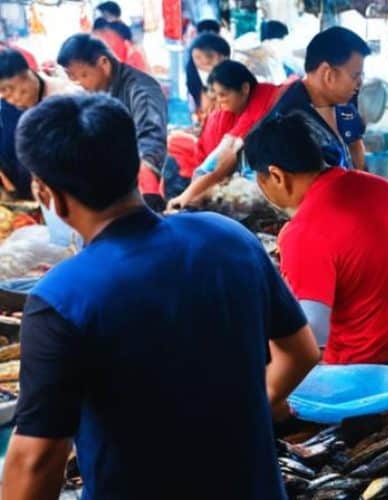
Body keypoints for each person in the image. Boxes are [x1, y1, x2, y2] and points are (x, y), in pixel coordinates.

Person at [1, 94, 319, 500]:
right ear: (136, 166)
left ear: (49, 195)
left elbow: (38, 461)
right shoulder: (231, 240)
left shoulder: (61, 299)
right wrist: (243, 410)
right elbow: (301, 352)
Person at [242, 113, 388, 404]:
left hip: (372, 373)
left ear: (276, 175)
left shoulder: (305, 232)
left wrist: (269, 398)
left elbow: (311, 340)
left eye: (260, 180)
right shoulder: (377, 186)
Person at [57, 34, 168, 209]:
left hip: (143, 187)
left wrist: (145, 187)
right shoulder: (96, 91)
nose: (80, 83)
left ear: (104, 64)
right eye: (73, 78)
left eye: (84, 75)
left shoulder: (141, 90)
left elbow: (151, 140)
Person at [166, 61, 281, 209]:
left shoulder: (260, 103)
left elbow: (221, 158)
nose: (219, 101)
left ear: (245, 88)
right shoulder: (236, 110)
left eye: (223, 94)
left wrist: (186, 196)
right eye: (216, 95)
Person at [266, 26, 369, 171]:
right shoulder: (289, 121)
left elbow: (356, 146)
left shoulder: (343, 106)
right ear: (328, 74)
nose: (360, 83)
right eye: (355, 75)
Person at [0, 49, 77, 200]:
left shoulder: (65, 97)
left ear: (25, 75)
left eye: (10, 89)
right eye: (4, 92)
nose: (12, 98)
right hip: (25, 193)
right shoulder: (8, 106)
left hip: (64, 193)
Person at [186, 33, 230, 113]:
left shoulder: (232, 81)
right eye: (197, 57)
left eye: (209, 56)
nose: (204, 61)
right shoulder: (194, 81)